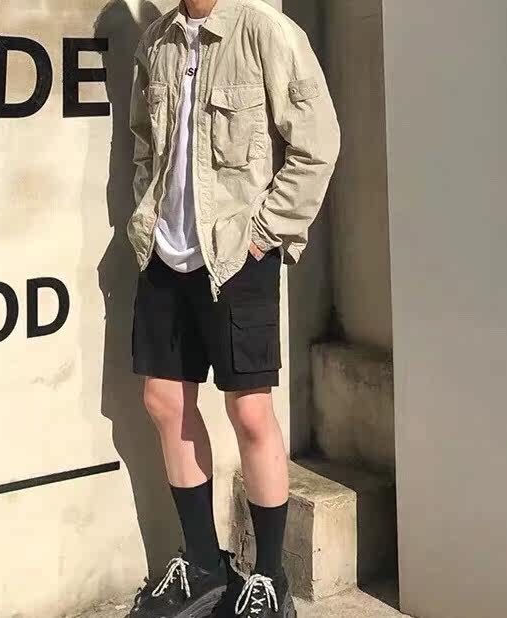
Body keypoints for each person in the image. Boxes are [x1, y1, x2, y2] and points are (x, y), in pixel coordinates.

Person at [126, 0, 339, 615]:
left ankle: (269, 580)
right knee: (164, 401)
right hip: (166, 252)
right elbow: (145, 143)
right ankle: (203, 565)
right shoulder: (158, 41)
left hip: (237, 255)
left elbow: (318, 145)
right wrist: (148, 214)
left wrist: (264, 233)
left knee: (249, 410)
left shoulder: (265, 30)